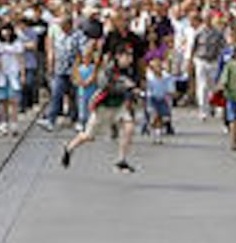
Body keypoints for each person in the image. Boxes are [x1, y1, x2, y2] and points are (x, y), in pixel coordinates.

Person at [61, 44, 140, 173]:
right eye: (127, 56)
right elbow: (105, 85)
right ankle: (69, 148)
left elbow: (131, 85)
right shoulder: (108, 69)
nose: (130, 59)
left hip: (119, 105)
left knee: (129, 127)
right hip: (103, 106)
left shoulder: (129, 69)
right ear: (118, 56)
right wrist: (125, 85)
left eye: (131, 56)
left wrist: (134, 92)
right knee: (88, 136)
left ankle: (121, 161)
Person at [0, 23, 24, 136]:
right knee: (2, 101)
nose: (5, 33)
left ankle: (14, 123)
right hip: (2, 75)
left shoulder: (17, 44)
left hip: (13, 74)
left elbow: (21, 59)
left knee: (14, 100)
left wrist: (22, 73)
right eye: (3, 30)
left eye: (7, 30)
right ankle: (3, 122)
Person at [145, 57, 173, 144]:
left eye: (159, 66)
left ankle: (158, 136)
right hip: (152, 99)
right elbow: (148, 89)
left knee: (161, 118)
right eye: (155, 67)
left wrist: (170, 93)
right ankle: (153, 132)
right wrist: (146, 95)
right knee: (155, 116)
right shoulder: (150, 78)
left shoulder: (166, 77)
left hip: (162, 99)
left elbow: (169, 88)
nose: (158, 69)